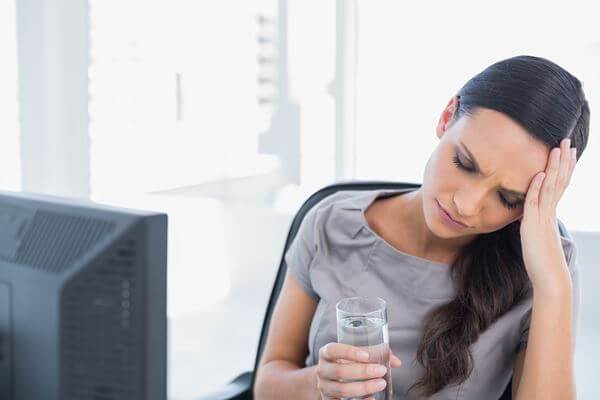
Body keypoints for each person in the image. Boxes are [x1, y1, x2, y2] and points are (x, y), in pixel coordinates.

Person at [253, 55, 590, 400]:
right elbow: (266, 385)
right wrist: (319, 383)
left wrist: (552, 285)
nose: (466, 205)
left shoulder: (547, 267)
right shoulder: (332, 224)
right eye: (464, 163)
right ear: (446, 117)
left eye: (507, 198)